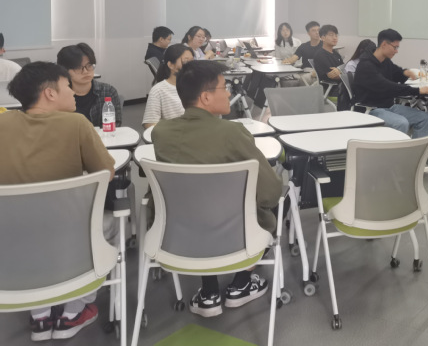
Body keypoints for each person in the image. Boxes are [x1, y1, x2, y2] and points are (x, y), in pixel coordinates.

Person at [152, 60, 283, 317]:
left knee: (199, 206)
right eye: (224, 87)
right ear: (206, 97)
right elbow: (269, 193)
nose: (229, 93)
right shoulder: (232, 133)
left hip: (178, 234)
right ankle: (241, 283)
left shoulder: (161, 133)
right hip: (233, 235)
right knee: (278, 200)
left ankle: (209, 291)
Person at [1, 62, 115, 341]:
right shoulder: (76, 123)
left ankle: (40, 316)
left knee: (29, 236)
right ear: (50, 93)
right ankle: (73, 311)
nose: (73, 92)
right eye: (67, 86)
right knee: (108, 224)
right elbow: (106, 173)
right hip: (68, 236)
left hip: (11, 238)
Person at [353, 28, 428, 142]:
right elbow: (387, 86)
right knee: (401, 123)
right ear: (384, 44)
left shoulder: (385, 61)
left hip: (389, 106)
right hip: (370, 109)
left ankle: (416, 153)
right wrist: (417, 91)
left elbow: (396, 72)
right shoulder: (366, 66)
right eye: (395, 47)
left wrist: (405, 73)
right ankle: (395, 154)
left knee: (425, 118)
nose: (396, 51)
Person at [56, 43, 123, 127]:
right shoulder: (58, 95)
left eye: (89, 65)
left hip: (101, 135)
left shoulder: (108, 91)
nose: (86, 71)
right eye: (78, 67)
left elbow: (116, 125)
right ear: (65, 70)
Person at [142, 43, 194, 128]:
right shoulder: (159, 90)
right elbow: (149, 124)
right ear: (171, 65)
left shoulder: (197, 85)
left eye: (192, 61)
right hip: (176, 134)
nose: (191, 65)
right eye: (186, 61)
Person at [312, 24, 344, 97]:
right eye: (331, 35)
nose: (335, 38)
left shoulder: (336, 53)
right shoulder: (321, 55)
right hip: (334, 89)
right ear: (323, 38)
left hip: (342, 86)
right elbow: (334, 76)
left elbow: (344, 68)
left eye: (336, 35)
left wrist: (340, 71)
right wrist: (343, 72)